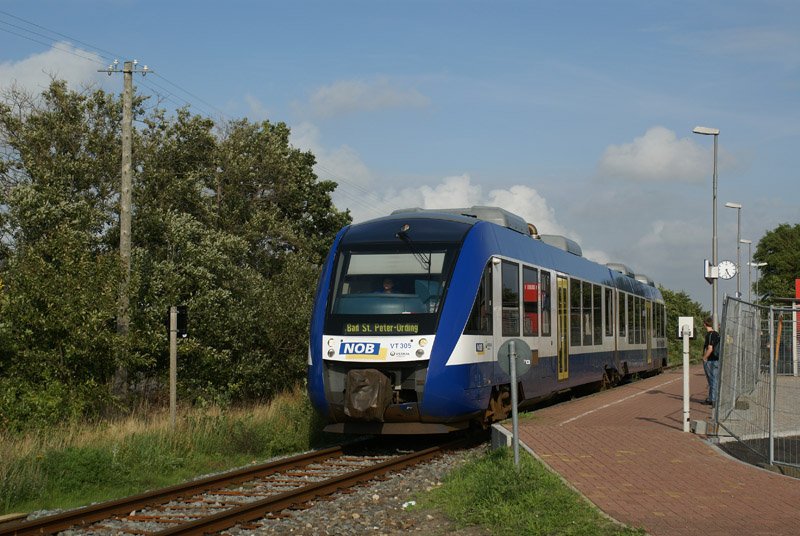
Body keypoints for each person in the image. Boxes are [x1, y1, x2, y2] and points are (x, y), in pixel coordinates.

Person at [702, 317, 720, 405]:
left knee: (712, 380)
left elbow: (710, 348)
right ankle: (711, 398)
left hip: (710, 360)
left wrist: (704, 358)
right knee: (714, 379)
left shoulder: (710, 335)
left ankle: (713, 399)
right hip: (716, 359)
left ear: (705, 324)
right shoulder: (717, 334)